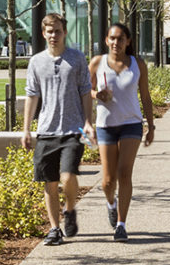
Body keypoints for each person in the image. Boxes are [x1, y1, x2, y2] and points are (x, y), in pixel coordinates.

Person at [24, 13, 95, 245]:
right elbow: (32, 95)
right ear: (44, 34)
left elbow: (86, 90)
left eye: (57, 31)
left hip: (73, 130)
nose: (53, 35)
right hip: (46, 131)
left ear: (64, 32)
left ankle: (70, 209)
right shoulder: (36, 62)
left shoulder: (77, 59)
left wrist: (88, 122)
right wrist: (26, 129)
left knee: (68, 176)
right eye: (49, 31)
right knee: (50, 183)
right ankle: (55, 229)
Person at [90, 22, 156, 241]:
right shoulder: (98, 63)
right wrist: (96, 95)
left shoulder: (137, 64)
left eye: (120, 38)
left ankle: (121, 224)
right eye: (112, 38)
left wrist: (151, 126)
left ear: (128, 41)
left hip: (131, 123)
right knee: (108, 181)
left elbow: (145, 97)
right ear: (106, 40)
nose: (115, 42)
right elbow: (83, 90)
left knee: (124, 173)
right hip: (106, 125)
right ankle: (111, 204)